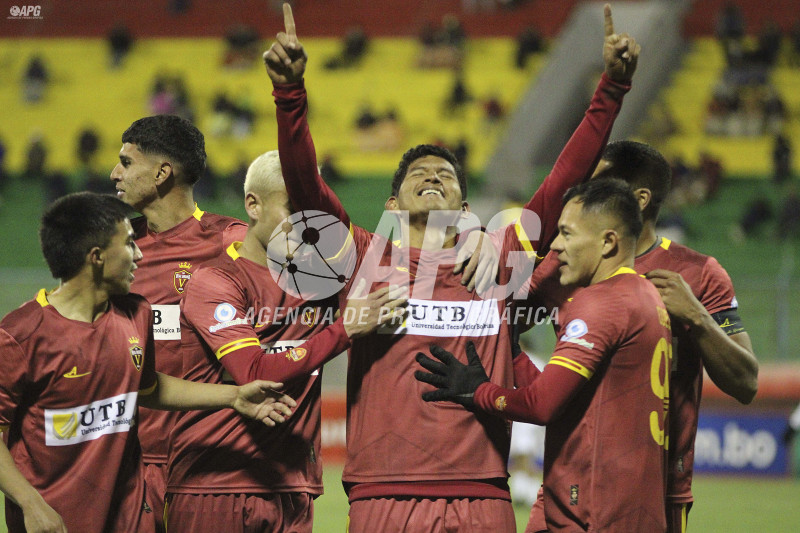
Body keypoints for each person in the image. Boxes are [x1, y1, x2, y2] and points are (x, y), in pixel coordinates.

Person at [265, 3, 639, 531]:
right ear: (391, 205)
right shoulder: (366, 258)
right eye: (417, 174)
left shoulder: (501, 259)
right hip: (384, 495)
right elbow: (307, 188)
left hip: (482, 495)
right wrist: (289, 95)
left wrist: (612, 89)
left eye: (445, 174)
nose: (432, 176)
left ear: (465, 208)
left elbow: (564, 180)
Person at [0, 192, 295, 533]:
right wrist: (31, 504)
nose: (139, 254)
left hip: (130, 518)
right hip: (55, 521)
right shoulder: (20, 335)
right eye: (129, 244)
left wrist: (234, 396)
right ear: (96, 257)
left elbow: (148, 387)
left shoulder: (136, 313)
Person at [518, 140, 759, 533]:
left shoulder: (698, 274)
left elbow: (746, 383)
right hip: (564, 484)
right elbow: (496, 326)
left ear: (639, 198)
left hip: (655, 492)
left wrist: (697, 317)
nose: (585, 189)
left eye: (598, 181)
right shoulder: (565, 263)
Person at [165, 151, 408, 532]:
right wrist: (345, 328)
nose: (307, 224)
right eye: (293, 209)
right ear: (253, 205)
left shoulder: (325, 280)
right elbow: (253, 373)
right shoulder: (216, 281)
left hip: (293, 488)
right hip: (214, 483)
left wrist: (473, 246)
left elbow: (418, 268)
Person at [415, 179, 672, 532]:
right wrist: (514, 354)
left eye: (566, 234)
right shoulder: (646, 295)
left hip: (596, 507)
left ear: (608, 241)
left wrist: (479, 392)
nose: (556, 245)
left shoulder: (601, 303)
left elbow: (542, 406)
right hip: (629, 499)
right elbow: (572, 406)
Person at [109, 114, 248, 531]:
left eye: (126, 162)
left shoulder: (232, 243)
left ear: (162, 173)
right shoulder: (113, 250)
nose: (114, 173)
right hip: (128, 464)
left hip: (211, 466)